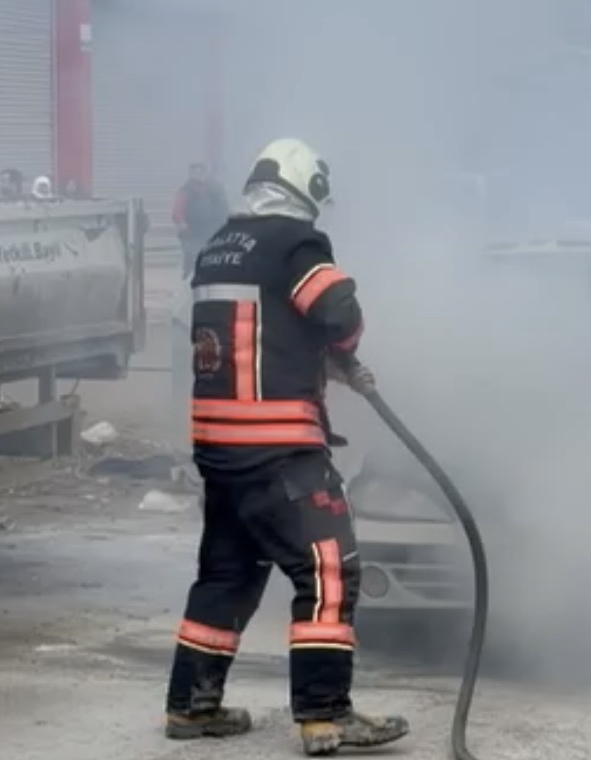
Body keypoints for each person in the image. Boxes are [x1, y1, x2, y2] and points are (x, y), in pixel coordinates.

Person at [163, 137, 409, 756]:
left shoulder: (217, 246)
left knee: (226, 573)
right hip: (279, 447)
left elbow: (261, 330)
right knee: (328, 567)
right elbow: (338, 310)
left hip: (219, 447)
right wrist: (345, 352)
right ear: (306, 188)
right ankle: (326, 715)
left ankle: (192, 707)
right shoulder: (296, 243)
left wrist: (318, 358)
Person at [173, 161, 230, 276]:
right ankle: (190, 274)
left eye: (200, 172)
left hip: (212, 230)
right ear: (190, 174)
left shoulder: (216, 190)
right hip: (192, 231)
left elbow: (224, 208)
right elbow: (177, 211)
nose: (198, 175)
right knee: (193, 257)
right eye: (195, 173)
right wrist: (182, 223)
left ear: (205, 173)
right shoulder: (184, 191)